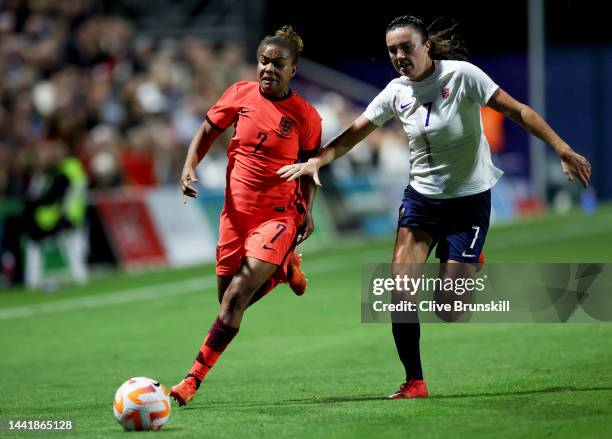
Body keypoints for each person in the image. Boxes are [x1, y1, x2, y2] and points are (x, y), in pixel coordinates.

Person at [278, 15, 591, 400]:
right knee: (400, 288)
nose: (398, 56)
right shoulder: (396, 91)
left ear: (426, 46)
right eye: (392, 50)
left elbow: (518, 111)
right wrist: (317, 161)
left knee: (449, 308)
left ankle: (472, 261)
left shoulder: (462, 76)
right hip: (421, 200)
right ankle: (414, 381)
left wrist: (562, 148)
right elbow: (355, 132)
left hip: (469, 202)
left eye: (406, 47)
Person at [170, 26, 322, 406]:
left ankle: (192, 380)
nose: (268, 69)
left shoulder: (305, 116)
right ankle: (284, 270)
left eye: (278, 64)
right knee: (226, 299)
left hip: (278, 216)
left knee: (236, 298)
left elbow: (310, 167)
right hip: (235, 216)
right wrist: (189, 165)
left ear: (294, 70)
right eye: (264, 61)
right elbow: (206, 131)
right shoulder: (240, 93)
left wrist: (308, 211)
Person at [24, 140, 89, 290]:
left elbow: (51, 197)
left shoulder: (61, 172)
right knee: (69, 245)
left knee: (40, 244)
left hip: (57, 217)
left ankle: (33, 281)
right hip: (61, 216)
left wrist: (30, 204)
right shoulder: (48, 173)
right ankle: (79, 276)